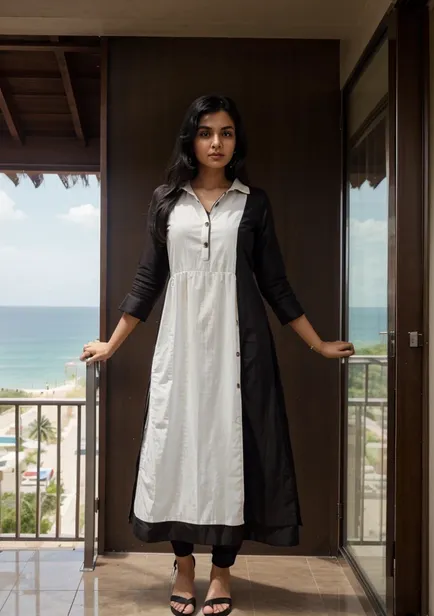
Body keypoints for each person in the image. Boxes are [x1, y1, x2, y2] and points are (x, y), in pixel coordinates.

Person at [81, 95, 354, 616]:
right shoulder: (166, 201)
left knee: (236, 455)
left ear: (236, 141)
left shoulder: (254, 203)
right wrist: (111, 344)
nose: (216, 143)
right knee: (177, 449)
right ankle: (183, 565)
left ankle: (222, 570)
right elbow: (147, 280)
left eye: (226, 133)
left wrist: (316, 342)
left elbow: (274, 283)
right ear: (191, 138)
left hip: (241, 349)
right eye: (207, 132)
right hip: (179, 348)